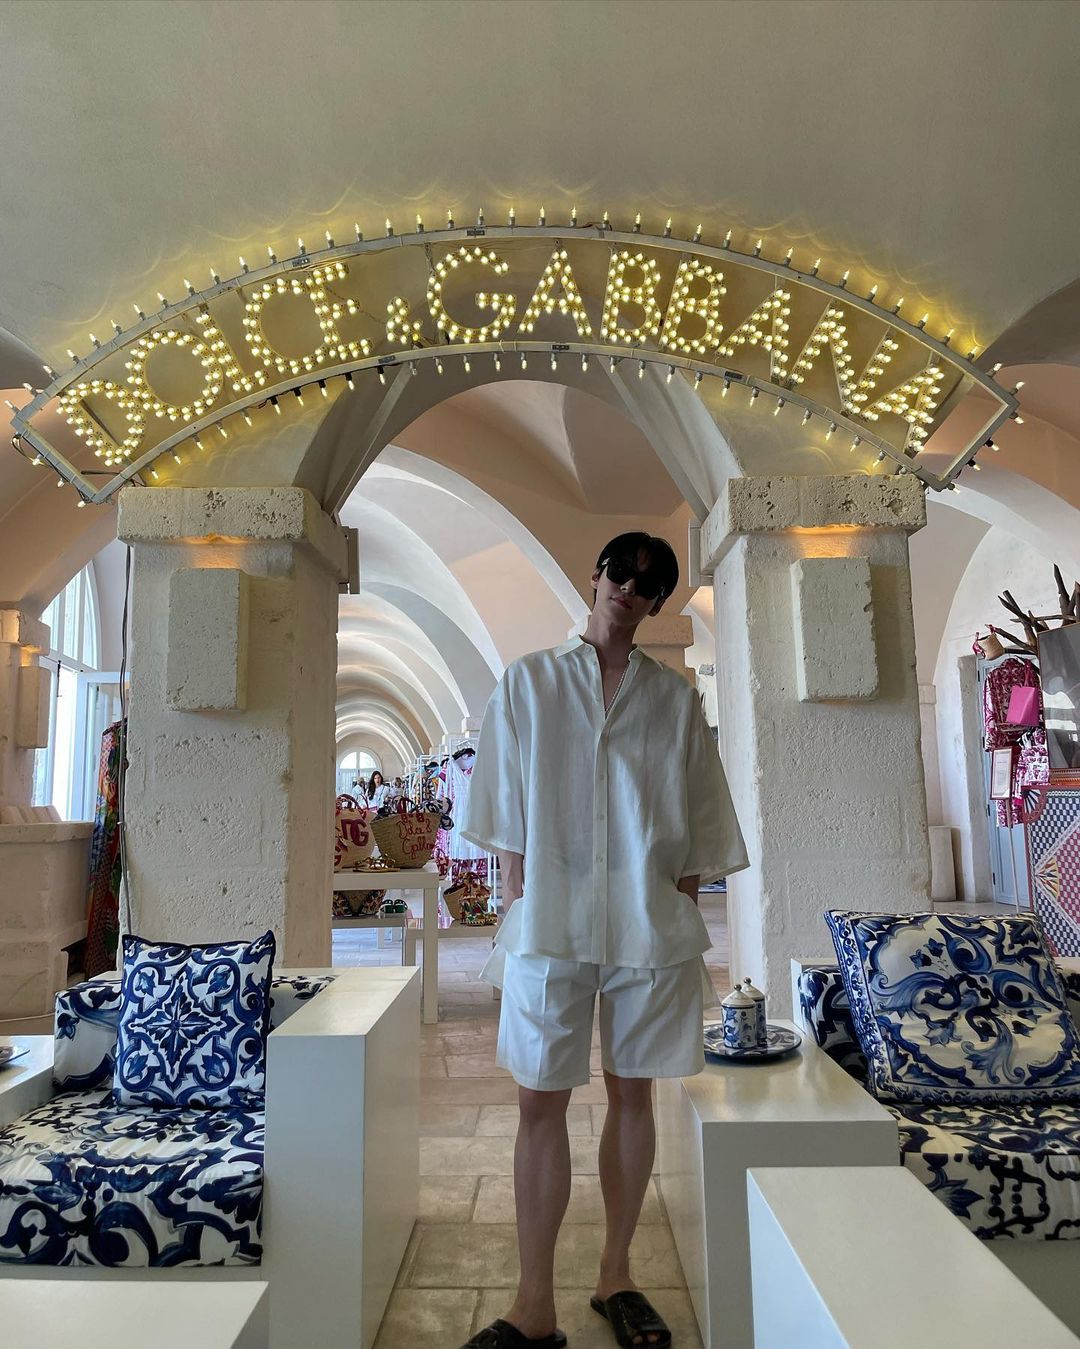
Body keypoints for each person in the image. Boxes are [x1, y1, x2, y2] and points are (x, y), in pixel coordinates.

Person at [459, 532, 748, 1349]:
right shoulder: (529, 683)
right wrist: (518, 903)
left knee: (633, 1095)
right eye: (620, 569)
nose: (629, 586)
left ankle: (616, 1274)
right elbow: (504, 808)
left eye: (648, 582)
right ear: (595, 576)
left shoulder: (675, 699)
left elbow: (698, 821)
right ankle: (533, 1304)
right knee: (537, 1102)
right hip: (549, 922)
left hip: (645, 925)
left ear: (658, 603)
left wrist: (678, 910)